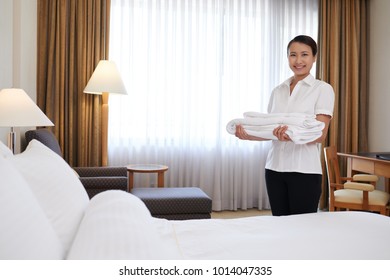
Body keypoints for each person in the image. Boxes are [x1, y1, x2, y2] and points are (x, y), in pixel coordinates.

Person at [235, 35, 335, 216]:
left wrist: (292, 136)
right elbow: (270, 130)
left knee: (301, 229)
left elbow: (320, 134)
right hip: (274, 169)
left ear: (314, 57)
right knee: (279, 225)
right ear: (287, 57)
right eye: (293, 55)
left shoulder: (323, 89)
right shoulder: (277, 91)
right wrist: (248, 134)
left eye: (304, 54)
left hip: (304, 171)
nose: (298, 60)